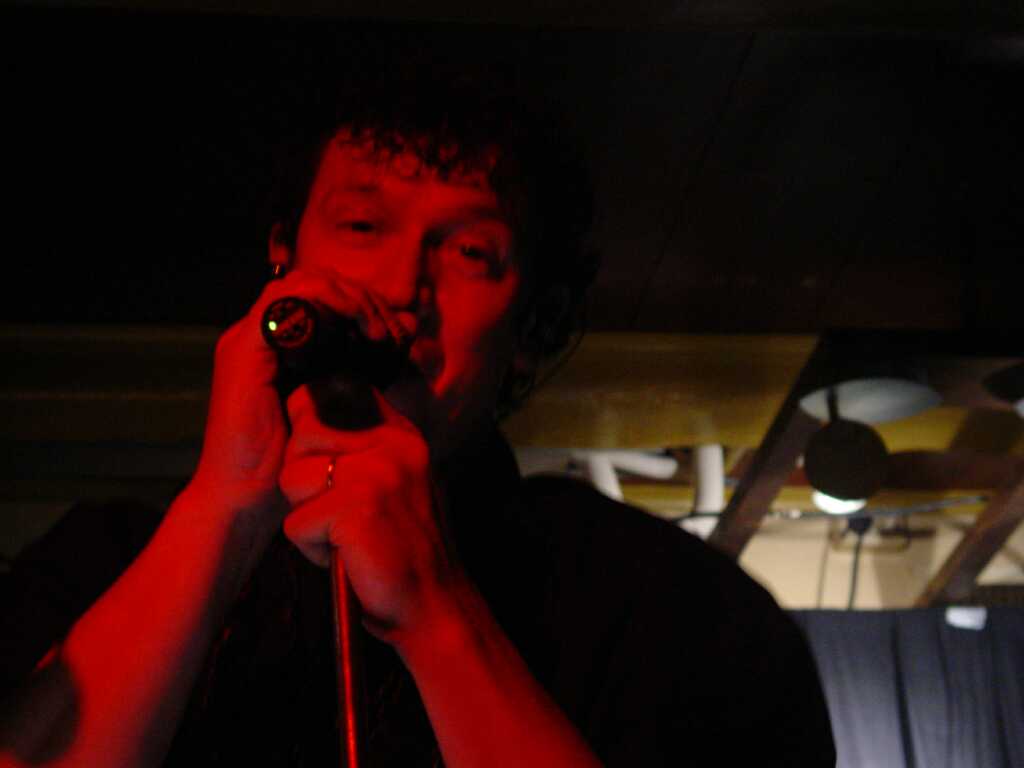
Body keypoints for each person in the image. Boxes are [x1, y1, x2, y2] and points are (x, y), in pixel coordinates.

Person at [0, 56, 835, 767]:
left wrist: (437, 611)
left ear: (529, 325)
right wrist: (223, 509)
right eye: (363, 224)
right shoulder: (100, 562)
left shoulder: (670, 606)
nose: (402, 288)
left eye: (470, 252)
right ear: (283, 256)